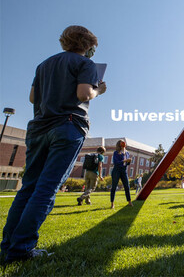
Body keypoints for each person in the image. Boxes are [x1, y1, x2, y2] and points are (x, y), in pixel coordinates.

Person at [0, 25, 106, 263]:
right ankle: (21, 249)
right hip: (67, 125)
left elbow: (32, 98)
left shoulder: (44, 65)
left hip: (38, 127)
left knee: (28, 187)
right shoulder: (86, 65)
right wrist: (98, 90)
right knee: (46, 189)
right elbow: (83, 94)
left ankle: (8, 245)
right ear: (88, 45)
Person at [110, 140, 133, 209]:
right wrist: (125, 160)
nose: (123, 144)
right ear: (119, 144)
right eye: (122, 143)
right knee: (114, 187)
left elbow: (127, 164)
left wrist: (129, 161)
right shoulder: (116, 152)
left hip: (124, 171)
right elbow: (116, 162)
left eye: (124, 143)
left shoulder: (127, 153)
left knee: (127, 186)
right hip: (116, 170)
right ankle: (112, 203)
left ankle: (129, 201)